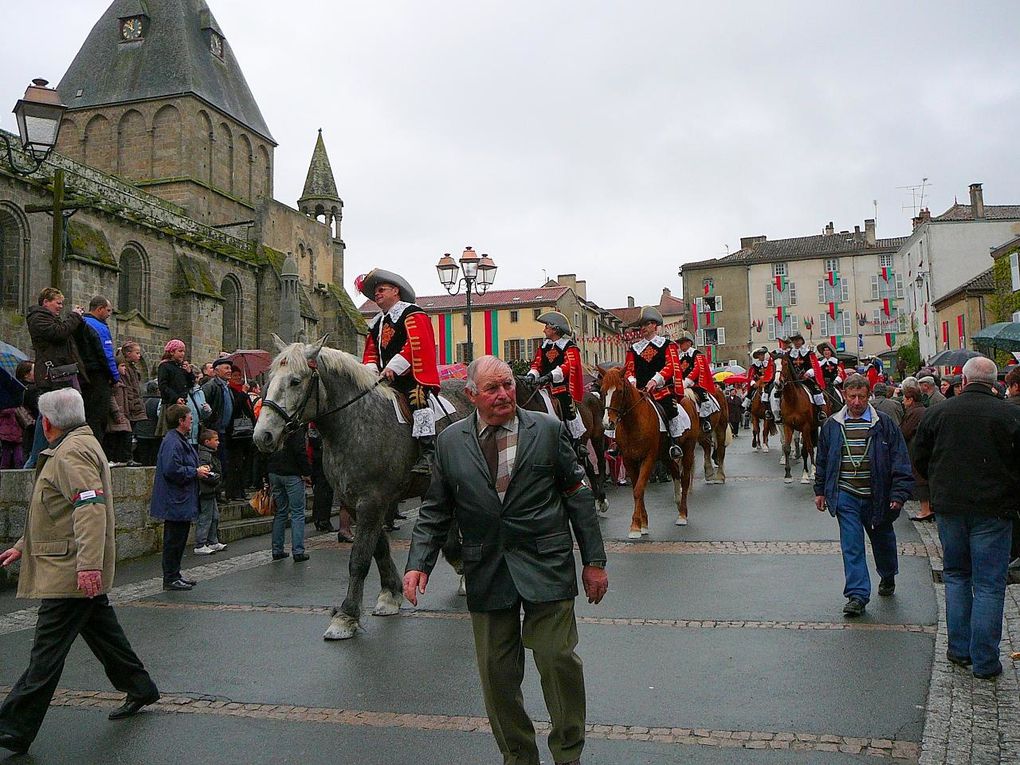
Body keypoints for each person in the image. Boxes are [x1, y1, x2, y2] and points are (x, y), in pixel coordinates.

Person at [404, 356, 607, 765]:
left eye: (508, 386)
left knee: (556, 661)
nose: (504, 395)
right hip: (487, 568)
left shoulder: (547, 430)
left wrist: (594, 561)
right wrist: (417, 564)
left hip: (546, 564)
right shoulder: (449, 441)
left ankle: (568, 754)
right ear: (471, 395)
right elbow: (435, 510)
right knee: (497, 677)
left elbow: (577, 496)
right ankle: (518, 756)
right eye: (493, 389)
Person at [0, 388, 160, 754]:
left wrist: (88, 565)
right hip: (70, 563)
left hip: (69, 569)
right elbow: (52, 512)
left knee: (46, 652)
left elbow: (89, 508)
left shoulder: (71, 452)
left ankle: (14, 726)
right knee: (104, 633)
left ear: (48, 421)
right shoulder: (74, 447)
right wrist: (22, 546)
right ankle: (139, 687)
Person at [911, 357, 1020, 680]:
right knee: (989, 584)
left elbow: (920, 456)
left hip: (951, 506)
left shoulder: (938, 413)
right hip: (994, 509)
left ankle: (959, 650)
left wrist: (939, 483)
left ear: (962, 379)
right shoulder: (1010, 414)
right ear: (994, 382)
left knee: (957, 576)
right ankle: (985, 661)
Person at [813, 373, 913, 617]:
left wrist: (899, 494)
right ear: (845, 396)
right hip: (845, 494)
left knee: (883, 541)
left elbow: (900, 460)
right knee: (852, 545)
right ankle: (857, 595)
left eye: (861, 396)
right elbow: (823, 460)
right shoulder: (832, 425)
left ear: (869, 396)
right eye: (851, 397)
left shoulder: (885, 423)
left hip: (878, 495)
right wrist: (820, 491)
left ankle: (888, 574)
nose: (856, 402)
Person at [357, 268, 441, 474]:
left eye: (381, 289)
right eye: (375, 291)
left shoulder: (412, 313)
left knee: (418, 399)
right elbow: (370, 351)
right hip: (384, 379)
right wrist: (371, 371)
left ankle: (427, 452)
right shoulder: (376, 322)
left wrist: (393, 367)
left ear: (395, 291)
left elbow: (416, 344)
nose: (377, 294)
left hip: (412, 377)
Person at [24, 288, 87, 468]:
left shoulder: (49, 318)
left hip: (59, 373)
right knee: (46, 414)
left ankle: (44, 456)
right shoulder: (38, 318)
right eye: (58, 303)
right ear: (46, 302)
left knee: (51, 414)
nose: (60, 307)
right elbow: (59, 333)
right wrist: (74, 316)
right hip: (50, 375)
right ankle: (34, 459)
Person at [150, 403, 210, 590]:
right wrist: (194, 472)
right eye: (189, 418)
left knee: (179, 540)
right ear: (180, 420)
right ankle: (170, 577)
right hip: (175, 499)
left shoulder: (178, 440)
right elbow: (171, 469)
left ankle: (175, 574)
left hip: (181, 498)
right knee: (173, 541)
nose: (192, 421)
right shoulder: (172, 441)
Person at [621, 306, 689, 458]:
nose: (643, 328)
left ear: (654, 325)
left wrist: (655, 380)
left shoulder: (667, 345)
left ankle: (673, 443)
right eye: (641, 325)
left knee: (671, 411)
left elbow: (671, 365)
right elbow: (629, 369)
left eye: (646, 324)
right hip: (639, 392)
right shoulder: (634, 349)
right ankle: (617, 443)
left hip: (661, 391)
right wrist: (631, 381)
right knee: (621, 411)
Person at [526, 311, 588, 457]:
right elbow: (537, 364)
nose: (544, 329)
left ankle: (577, 443)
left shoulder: (569, 346)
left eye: (547, 326)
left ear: (555, 329)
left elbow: (569, 365)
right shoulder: (544, 346)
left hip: (561, 388)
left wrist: (550, 376)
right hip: (543, 387)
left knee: (568, 407)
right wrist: (532, 375)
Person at [267, 425, 311, 562]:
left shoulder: (274, 426)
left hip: (274, 471)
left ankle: (277, 549)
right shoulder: (296, 429)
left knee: (280, 512)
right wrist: (306, 472)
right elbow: (300, 450)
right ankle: (298, 550)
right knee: (297, 512)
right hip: (292, 473)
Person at [79, 296, 119, 442]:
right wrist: (115, 377)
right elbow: (107, 354)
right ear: (99, 309)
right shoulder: (99, 326)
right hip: (98, 376)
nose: (109, 314)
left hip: (83, 375)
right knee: (98, 418)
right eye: (108, 310)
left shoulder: (81, 322)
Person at [898, 385, 933, 522]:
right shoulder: (921, 410)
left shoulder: (916, 412)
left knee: (920, 479)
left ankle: (926, 510)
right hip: (919, 446)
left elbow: (905, 431)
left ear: (911, 399)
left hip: (915, 447)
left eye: (905, 399)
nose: (902, 402)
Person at [675, 331, 720, 432]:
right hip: (682, 384)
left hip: (696, 383)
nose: (681, 344)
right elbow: (677, 370)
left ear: (689, 343)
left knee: (704, 400)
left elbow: (697, 369)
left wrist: (687, 381)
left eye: (683, 342)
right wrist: (678, 380)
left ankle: (705, 420)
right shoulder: (679, 357)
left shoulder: (697, 355)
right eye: (680, 342)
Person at [224, 366, 257, 500]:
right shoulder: (231, 391)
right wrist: (243, 394)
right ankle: (233, 492)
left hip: (245, 433)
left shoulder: (241, 391)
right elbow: (235, 409)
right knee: (235, 464)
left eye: (238, 375)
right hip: (235, 434)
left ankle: (241, 490)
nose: (238, 378)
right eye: (234, 375)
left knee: (243, 464)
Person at [194, 429, 226, 555]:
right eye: (216, 440)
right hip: (206, 491)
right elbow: (206, 473)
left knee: (214, 517)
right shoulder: (205, 455)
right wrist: (216, 478)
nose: (218, 443)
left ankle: (213, 541)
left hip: (211, 491)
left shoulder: (210, 454)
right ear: (207, 442)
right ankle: (200, 543)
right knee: (206, 517)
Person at [785, 332, 827, 424]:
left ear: (802, 341)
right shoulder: (788, 355)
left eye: (798, 340)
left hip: (806, 379)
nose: (796, 342)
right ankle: (779, 413)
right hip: (794, 380)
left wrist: (808, 373)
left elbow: (815, 366)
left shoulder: (809, 353)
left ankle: (820, 411)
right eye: (794, 341)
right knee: (780, 393)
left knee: (816, 391)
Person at [116, 342, 146, 466]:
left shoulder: (132, 369)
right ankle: (126, 458)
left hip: (134, 404)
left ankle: (128, 457)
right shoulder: (125, 369)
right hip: (129, 406)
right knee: (126, 434)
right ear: (128, 353)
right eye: (137, 353)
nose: (139, 356)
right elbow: (128, 389)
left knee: (131, 433)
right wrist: (132, 403)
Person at [155, 339, 192, 435]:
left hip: (182, 403)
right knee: (170, 432)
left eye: (183, 351)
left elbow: (189, 385)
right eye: (180, 351)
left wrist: (189, 373)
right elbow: (163, 386)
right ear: (172, 352)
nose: (182, 354)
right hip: (170, 404)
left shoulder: (181, 367)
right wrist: (176, 398)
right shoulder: (164, 366)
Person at [15, 361, 39, 465]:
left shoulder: (17, 388)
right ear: (26, 375)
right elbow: (37, 407)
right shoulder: (32, 390)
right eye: (34, 370)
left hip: (23, 425)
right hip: (33, 424)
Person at [743, 346, 775, 419]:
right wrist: (753, 383)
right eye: (760, 355)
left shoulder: (769, 364)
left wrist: (767, 381)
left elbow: (771, 373)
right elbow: (751, 376)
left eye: (763, 354)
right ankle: (747, 408)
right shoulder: (754, 366)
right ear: (757, 356)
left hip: (767, 383)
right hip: (757, 383)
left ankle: (769, 410)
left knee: (771, 392)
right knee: (751, 391)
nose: (762, 356)